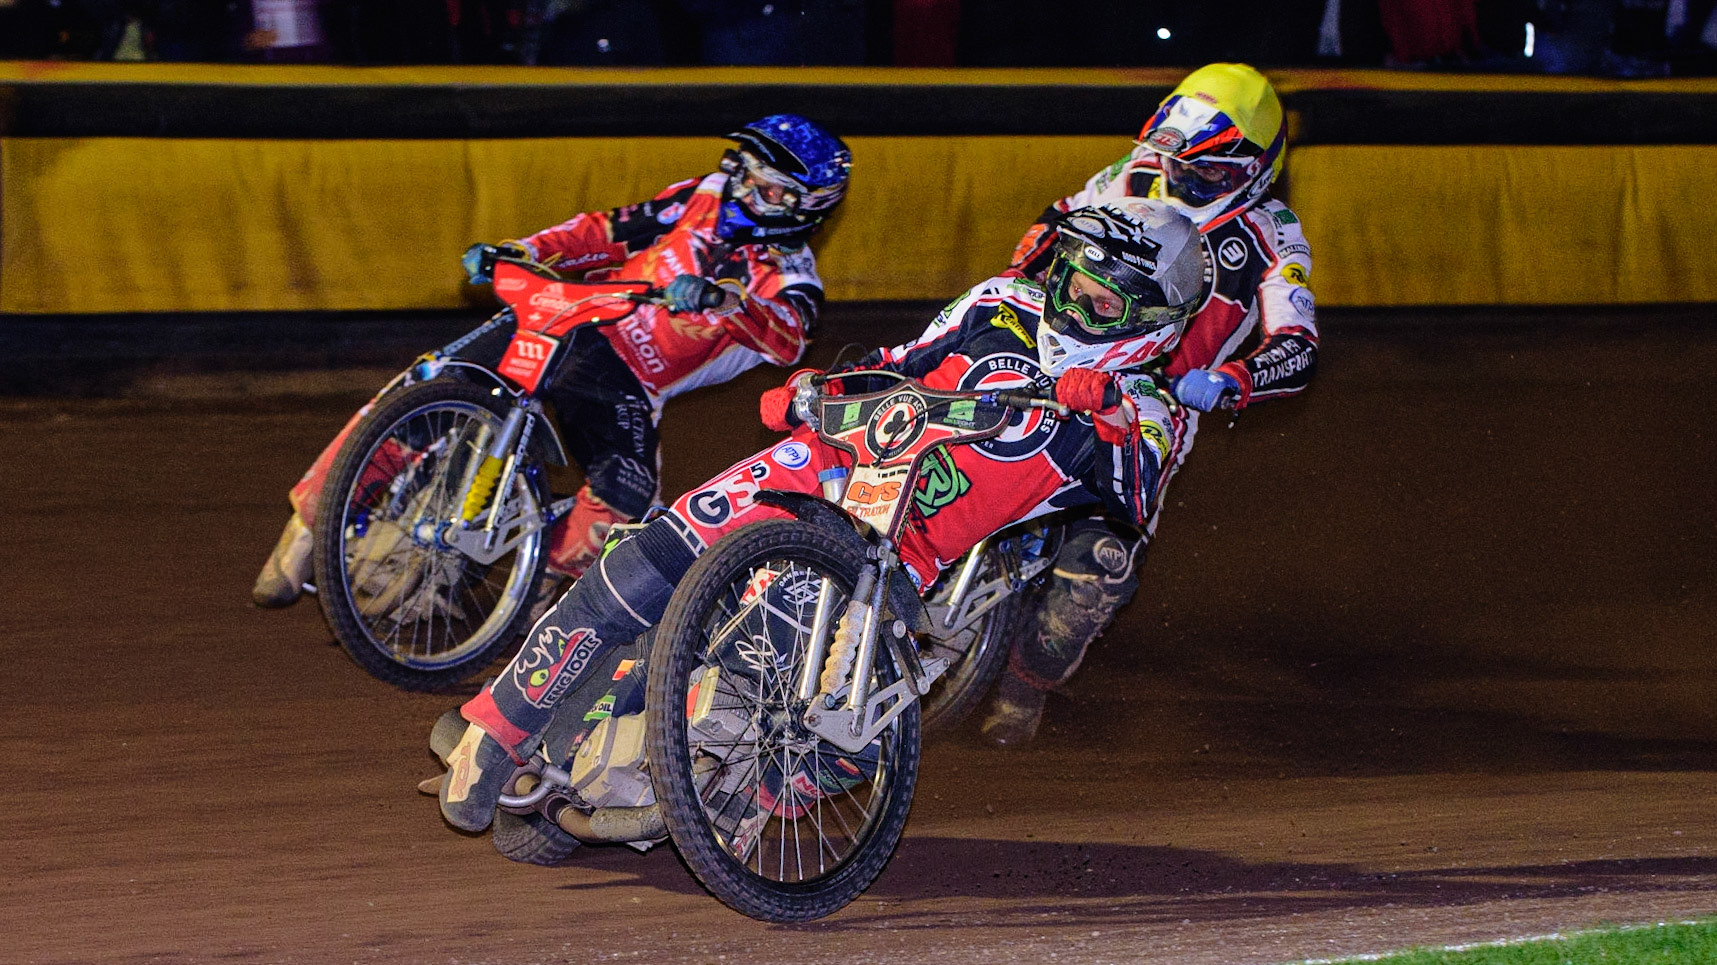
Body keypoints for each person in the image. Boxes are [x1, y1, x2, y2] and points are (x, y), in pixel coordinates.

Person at [433, 198, 1209, 833]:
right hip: (828, 461)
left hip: (905, 553)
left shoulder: (1152, 409)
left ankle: (743, 798)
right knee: (647, 559)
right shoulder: (1001, 303)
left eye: (1101, 301)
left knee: (851, 730)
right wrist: (819, 389)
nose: (1073, 303)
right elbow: (898, 362)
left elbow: (1131, 501)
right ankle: (495, 729)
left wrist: (1109, 416)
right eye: (1072, 280)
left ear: (1152, 318)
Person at [251, 113, 852, 607]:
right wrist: (525, 249)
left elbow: (788, 339)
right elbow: (605, 231)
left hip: (630, 378)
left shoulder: (793, 280)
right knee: (425, 388)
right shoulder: (704, 195)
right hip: (573, 315)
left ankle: (532, 603)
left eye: (768, 189)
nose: (746, 191)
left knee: (628, 500)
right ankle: (307, 525)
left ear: (807, 206)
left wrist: (729, 301)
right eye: (746, 173)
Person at [980, 61, 1319, 746]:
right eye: (1175, 165)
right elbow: (1039, 245)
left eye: (1205, 175)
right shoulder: (1129, 175)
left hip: (1149, 406)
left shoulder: (1269, 234)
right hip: (1051, 359)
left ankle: (1022, 688)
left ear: (1254, 168)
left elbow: (1298, 341)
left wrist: (1234, 380)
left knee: (1094, 573)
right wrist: (1013, 287)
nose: (1183, 183)